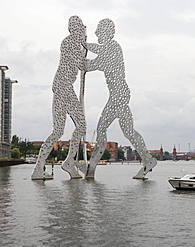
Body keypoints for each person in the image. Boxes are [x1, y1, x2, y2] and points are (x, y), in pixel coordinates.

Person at [85, 18, 157, 179]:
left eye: (99, 30)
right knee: (129, 132)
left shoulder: (113, 47)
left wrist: (83, 44)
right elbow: (89, 65)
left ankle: (91, 171)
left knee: (102, 129)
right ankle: (148, 159)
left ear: (107, 32)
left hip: (119, 95)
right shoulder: (106, 53)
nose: (96, 33)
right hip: (119, 95)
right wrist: (79, 58)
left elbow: (96, 56)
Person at [31, 16, 87, 180]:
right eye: (80, 29)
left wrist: (84, 48)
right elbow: (82, 65)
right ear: (74, 30)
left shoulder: (73, 43)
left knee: (59, 131)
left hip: (63, 88)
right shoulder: (71, 43)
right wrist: (85, 48)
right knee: (80, 125)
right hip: (64, 88)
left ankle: (40, 168)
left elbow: (80, 63)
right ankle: (67, 162)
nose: (82, 31)